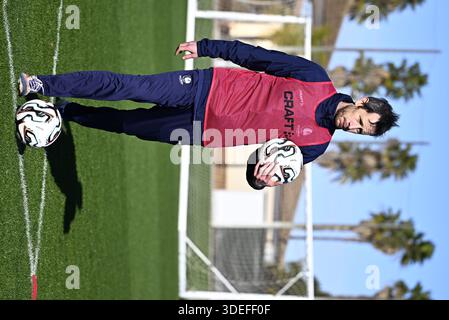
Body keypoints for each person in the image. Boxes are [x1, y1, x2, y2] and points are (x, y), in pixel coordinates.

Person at [17, 38, 399, 189]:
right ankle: (42, 85)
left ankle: (68, 112)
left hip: (204, 131)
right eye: (361, 121)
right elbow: (260, 58)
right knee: (129, 87)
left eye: (360, 133)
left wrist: (261, 179)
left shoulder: (315, 146)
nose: (353, 127)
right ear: (362, 102)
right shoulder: (315, 78)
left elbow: (262, 166)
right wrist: (205, 46)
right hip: (207, 87)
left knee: (127, 124)